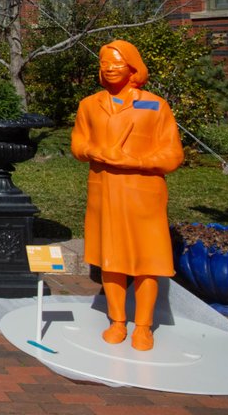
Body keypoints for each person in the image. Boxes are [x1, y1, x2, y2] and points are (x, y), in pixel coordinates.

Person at [71, 40, 183, 352]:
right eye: (104, 62)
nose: (108, 68)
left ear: (133, 67)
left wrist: (137, 161)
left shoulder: (155, 105)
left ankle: (144, 326)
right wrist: (96, 151)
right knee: (111, 258)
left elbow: (172, 154)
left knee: (148, 261)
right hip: (104, 191)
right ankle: (117, 321)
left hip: (143, 194)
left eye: (116, 63)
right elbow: (78, 143)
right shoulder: (90, 105)